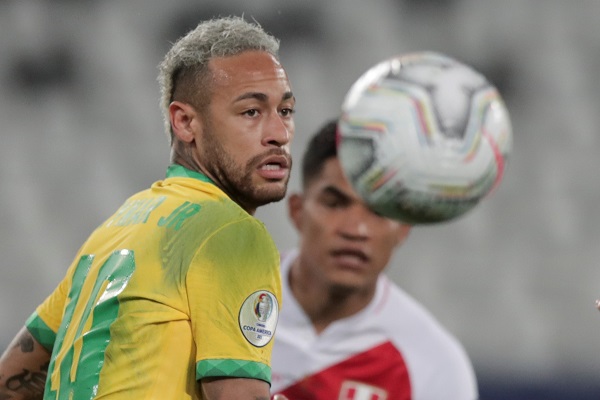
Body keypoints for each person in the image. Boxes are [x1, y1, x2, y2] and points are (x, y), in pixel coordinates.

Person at [0, 16, 295, 400]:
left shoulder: (117, 227)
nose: (279, 134)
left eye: (285, 111)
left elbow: (10, 381)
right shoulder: (231, 233)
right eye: (251, 112)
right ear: (185, 122)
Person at [270, 119, 478, 400]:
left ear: (404, 228)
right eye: (335, 204)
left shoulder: (435, 365)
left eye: (379, 210)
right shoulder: (221, 305)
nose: (356, 230)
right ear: (297, 211)